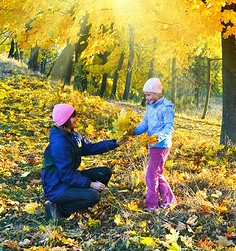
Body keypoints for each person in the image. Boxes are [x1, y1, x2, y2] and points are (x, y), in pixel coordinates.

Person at [42, 103, 125, 220]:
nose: (76, 119)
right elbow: (66, 175)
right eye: (73, 116)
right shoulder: (59, 143)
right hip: (56, 186)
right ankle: (58, 208)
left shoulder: (72, 135)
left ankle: (80, 202)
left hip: (67, 180)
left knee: (104, 172)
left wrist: (115, 142)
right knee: (93, 196)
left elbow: (90, 147)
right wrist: (90, 184)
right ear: (65, 120)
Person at [133, 78, 177, 211]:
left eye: (149, 95)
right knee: (157, 174)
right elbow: (144, 124)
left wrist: (158, 137)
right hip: (153, 145)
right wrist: (132, 132)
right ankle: (169, 200)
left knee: (150, 175)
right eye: (145, 95)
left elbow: (169, 127)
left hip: (161, 145)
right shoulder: (150, 107)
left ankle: (152, 204)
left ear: (157, 93)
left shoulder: (166, 108)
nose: (147, 98)